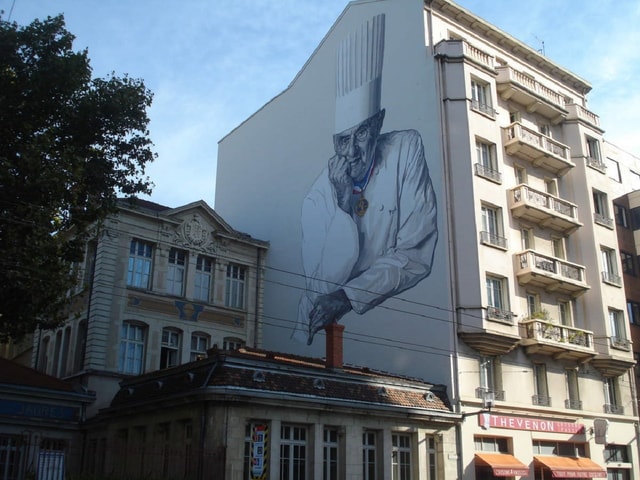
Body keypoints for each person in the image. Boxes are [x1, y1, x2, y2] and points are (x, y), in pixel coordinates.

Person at [295, 13, 438, 345]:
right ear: (332, 143)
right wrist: (344, 210)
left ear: (379, 124)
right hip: (315, 332)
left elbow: (416, 254)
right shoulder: (316, 198)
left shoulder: (406, 147)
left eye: (362, 134)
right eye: (343, 140)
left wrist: (348, 297)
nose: (353, 151)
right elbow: (322, 287)